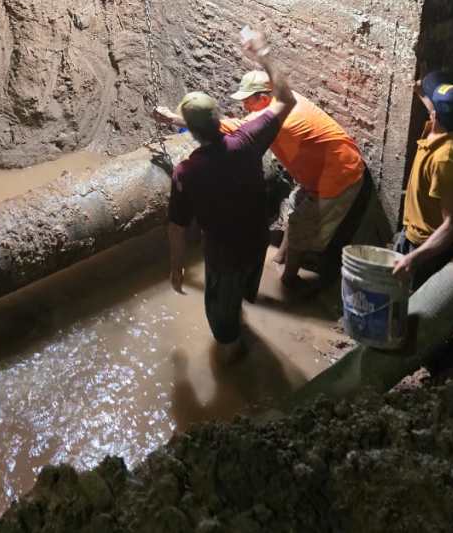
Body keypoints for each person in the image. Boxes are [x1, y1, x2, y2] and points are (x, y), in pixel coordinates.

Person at [156, 26, 296, 361]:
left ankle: (237, 365)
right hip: (257, 241)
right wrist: (263, 54)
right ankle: (244, 327)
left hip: (224, 256)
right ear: (220, 118)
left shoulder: (186, 172)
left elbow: (176, 228)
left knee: (223, 327)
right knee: (244, 292)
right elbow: (287, 99)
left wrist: (177, 267)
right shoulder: (248, 139)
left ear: (190, 130)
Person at [227, 69, 366, 285]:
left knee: (303, 227)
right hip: (321, 170)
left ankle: (289, 280)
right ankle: (279, 258)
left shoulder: (282, 119)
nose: (245, 107)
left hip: (339, 175)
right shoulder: (285, 99)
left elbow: (236, 130)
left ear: (263, 98)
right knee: (294, 206)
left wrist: (184, 120)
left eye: (248, 101)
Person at [392, 73, 453, 286]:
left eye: (434, 109)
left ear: (436, 117)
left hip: (423, 246)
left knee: (405, 298)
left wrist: (414, 259)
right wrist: (421, 92)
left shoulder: (445, 160)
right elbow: (438, 111)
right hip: (410, 231)